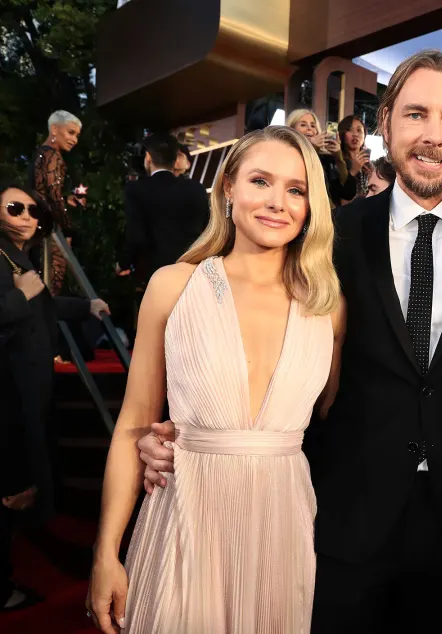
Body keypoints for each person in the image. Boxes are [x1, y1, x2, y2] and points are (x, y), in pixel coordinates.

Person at [137, 49, 442, 634]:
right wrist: (180, 430)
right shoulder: (328, 236)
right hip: (342, 519)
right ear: (386, 123)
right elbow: (244, 331)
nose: (432, 135)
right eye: (416, 114)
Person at [86, 126, 344, 634]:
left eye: (296, 189)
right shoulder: (173, 286)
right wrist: (106, 551)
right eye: (260, 181)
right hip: (186, 516)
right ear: (228, 187)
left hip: (282, 530)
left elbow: (333, 424)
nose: (277, 202)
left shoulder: (327, 306)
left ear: (311, 204)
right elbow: (133, 424)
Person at [0, 184, 109, 611]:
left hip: (28, 388)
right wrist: (19, 295)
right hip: (9, 389)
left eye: (32, 209)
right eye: (14, 207)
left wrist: (86, 307)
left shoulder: (17, 255)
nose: (27, 216)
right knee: (11, 482)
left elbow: (43, 305)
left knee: (23, 478)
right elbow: (20, 303)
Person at [116, 134, 210, 283]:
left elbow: (136, 236)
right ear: (175, 160)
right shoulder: (196, 189)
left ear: (148, 157)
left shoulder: (136, 189)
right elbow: (209, 230)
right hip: (192, 273)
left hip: (155, 276)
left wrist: (123, 264)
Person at [30, 110, 82, 296]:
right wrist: (67, 229)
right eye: (71, 132)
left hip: (36, 228)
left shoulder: (40, 153)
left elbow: (41, 192)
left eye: (77, 135)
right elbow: (53, 196)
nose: (74, 140)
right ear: (54, 129)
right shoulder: (53, 156)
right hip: (50, 231)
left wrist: (65, 199)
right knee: (51, 288)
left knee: (40, 284)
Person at [287, 109, 357, 207]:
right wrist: (311, 149)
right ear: (291, 130)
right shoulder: (286, 154)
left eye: (313, 125)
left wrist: (338, 156)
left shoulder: (326, 158)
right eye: (303, 125)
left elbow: (348, 193)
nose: (309, 129)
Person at [337, 114, 371, 203]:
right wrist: (353, 171)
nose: (355, 134)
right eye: (349, 130)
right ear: (342, 134)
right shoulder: (338, 162)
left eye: (359, 130)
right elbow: (343, 202)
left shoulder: (370, 165)